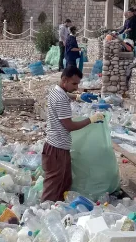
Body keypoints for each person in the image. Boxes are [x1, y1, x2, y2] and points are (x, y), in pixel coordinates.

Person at [43, 66, 104, 202]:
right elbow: (69, 126)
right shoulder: (61, 99)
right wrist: (91, 120)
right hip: (56, 149)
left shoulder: (56, 91)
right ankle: (44, 211)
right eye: (74, 83)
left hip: (58, 146)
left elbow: (66, 95)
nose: (77, 86)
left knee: (65, 182)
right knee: (53, 186)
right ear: (64, 80)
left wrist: (78, 97)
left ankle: (58, 208)